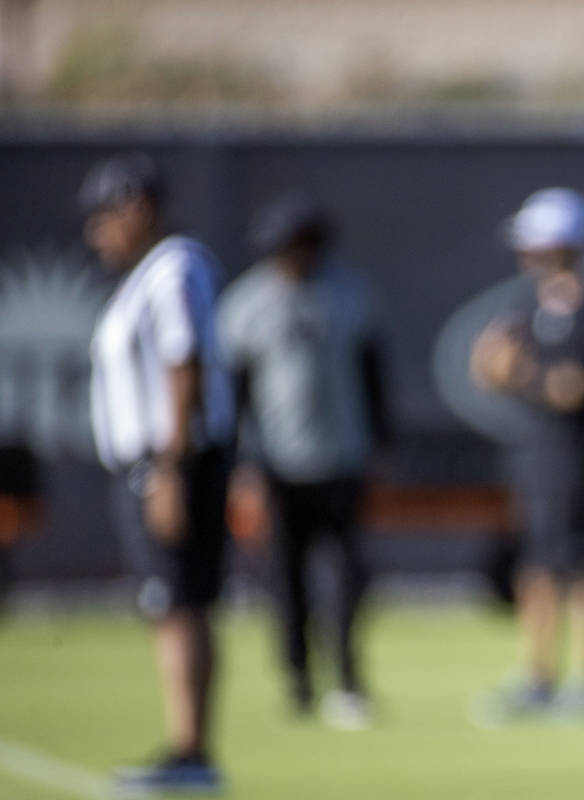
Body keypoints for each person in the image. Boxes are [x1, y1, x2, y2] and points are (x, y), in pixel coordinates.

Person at [81, 152, 236, 794]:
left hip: (172, 461)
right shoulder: (144, 275)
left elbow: (183, 361)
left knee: (177, 602)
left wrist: (172, 467)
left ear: (136, 207)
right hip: (153, 462)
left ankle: (191, 749)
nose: (97, 235)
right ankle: (185, 746)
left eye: (103, 219)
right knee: (168, 605)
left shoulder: (174, 267)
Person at [218, 192, 390, 730]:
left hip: (342, 456)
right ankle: (298, 680)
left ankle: (347, 677)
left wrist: (383, 444)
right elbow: (236, 390)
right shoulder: (248, 304)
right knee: (284, 578)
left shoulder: (347, 294)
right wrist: (241, 464)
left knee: (345, 573)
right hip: (276, 463)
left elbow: (372, 374)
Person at [468, 187, 584, 724]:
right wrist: (498, 367)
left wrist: (520, 373)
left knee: (582, 565)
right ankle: (537, 676)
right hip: (534, 459)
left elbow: (572, 386)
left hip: (575, 461)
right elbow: (488, 367)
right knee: (534, 567)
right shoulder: (528, 305)